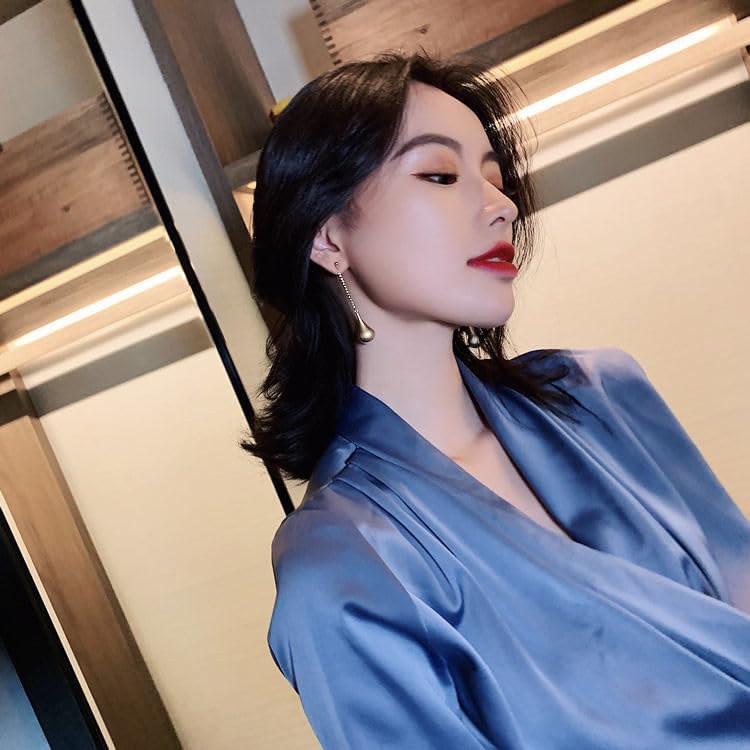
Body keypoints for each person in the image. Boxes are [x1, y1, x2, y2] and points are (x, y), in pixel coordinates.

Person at [240, 49, 750, 749]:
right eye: (439, 174)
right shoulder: (344, 560)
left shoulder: (599, 393)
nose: (502, 205)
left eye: (495, 178)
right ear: (328, 236)